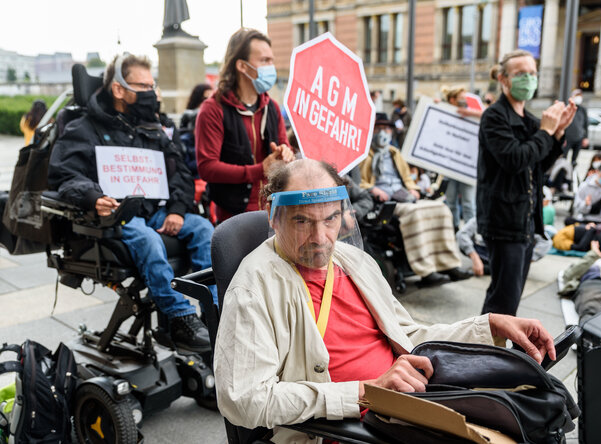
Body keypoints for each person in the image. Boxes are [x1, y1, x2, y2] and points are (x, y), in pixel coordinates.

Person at [214, 158, 556, 441]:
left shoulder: (353, 261)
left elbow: (407, 336)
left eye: (330, 218)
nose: (319, 238)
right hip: (345, 430)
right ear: (274, 217)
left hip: (406, 406)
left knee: (529, 418)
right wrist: (365, 391)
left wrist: (490, 325)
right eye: (302, 221)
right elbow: (244, 400)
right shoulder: (254, 287)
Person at [48, 54, 215, 352]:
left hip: (158, 210)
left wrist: (177, 209)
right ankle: (178, 316)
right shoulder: (83, 128)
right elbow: (65, 175)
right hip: (119, 216)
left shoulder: (154, 128)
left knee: (204, 229)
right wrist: (93, 197)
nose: (151, 93)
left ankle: (214, 312)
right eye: (143, 86)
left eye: (153, 85)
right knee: (149, 240)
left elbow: (181, 173)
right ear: (119, 89)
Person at [476, 49, 576, 316]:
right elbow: (515, 159)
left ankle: (494, 349)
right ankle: (487, 351)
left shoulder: (531, 121)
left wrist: (557, 134)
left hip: (525, 220)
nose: (529, 79)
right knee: (503, 300)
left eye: (532, 73)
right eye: (521, 74)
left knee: (511, 296)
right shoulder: (494, 117)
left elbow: (538, 166)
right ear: (504, 79)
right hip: (503, 220)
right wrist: (546, 131)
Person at [359, 113, 472, 286]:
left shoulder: (394, 153)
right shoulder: (364, 154)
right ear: (372, 131)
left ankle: (448, 264)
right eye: (379, 128)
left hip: (402, 194)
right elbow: (359, 181)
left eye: (387, 128)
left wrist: (413, 188)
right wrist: (372, 189)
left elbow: (407, 177)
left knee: (441, 209)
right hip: (384, 199)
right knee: (414, 213)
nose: (383, 132)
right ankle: (426, 272)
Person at [195, 28, 294, 223]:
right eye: (264, 61)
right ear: (242, 66)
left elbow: (285, 146)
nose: (271, 67)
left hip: (275, 210)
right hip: (235, 216)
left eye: (271, 60)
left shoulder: (272, 107)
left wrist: (286, 153)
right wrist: (259, 170)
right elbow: (207, 167)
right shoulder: (213, 109)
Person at [441, 86, 478, 229]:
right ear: (452, 100)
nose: (465, 101)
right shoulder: (444, 112)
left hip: (467, 165)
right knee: (451, 200)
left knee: (468, 202)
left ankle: (470, 232)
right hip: (449, 164)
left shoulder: (473, 114)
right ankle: (454, 229)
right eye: (461, 98)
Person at [563, 89, 589, 166]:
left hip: (578, 138)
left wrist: (585, 137)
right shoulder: (567, 108)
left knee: (574, 160)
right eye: (576, 96)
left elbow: (586, 124)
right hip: (568, 138)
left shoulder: (583, 110)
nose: (578, 98)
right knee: (563, 158)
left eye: (580, 96)